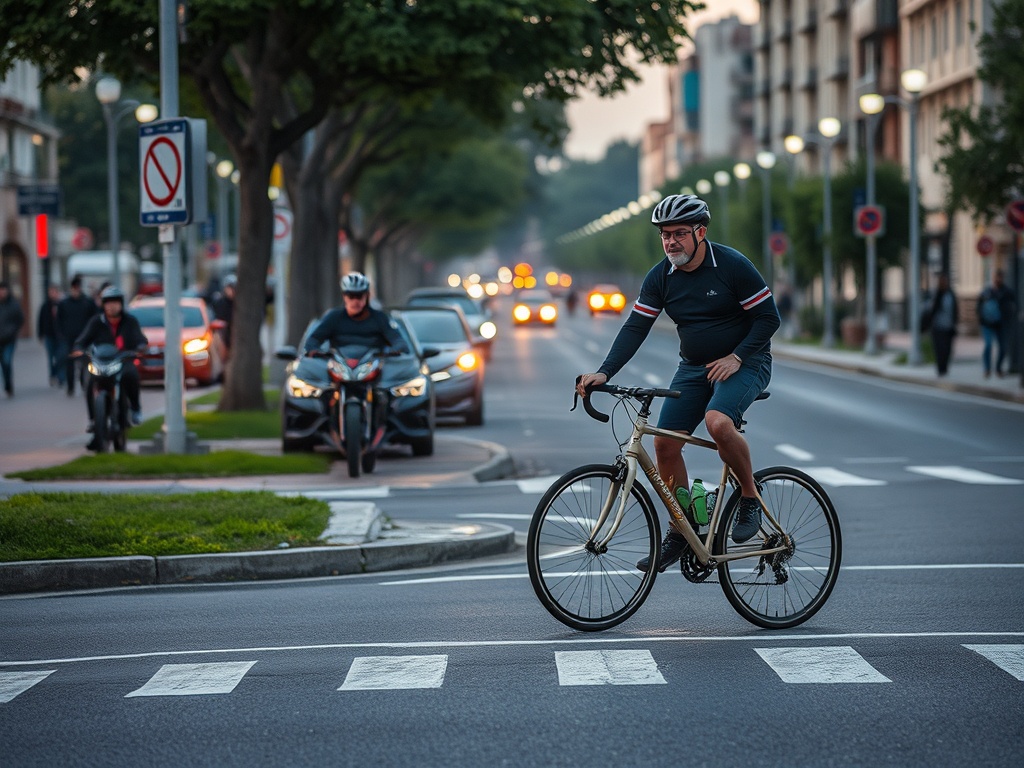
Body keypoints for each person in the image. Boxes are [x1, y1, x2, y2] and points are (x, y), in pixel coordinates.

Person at [576, 194, 781, 572]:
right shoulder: (661, 276)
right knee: (664, 444)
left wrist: (736, 356)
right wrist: (605, 372)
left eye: (679, 234)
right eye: (664, 235)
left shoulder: (733, 266)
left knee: (719, 422)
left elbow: (769, 319)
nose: (670, 242)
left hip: (747, 362)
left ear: (700, 232)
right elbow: (636, 326)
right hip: (693, 368)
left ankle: (749, 496)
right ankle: (681, 530)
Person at [72, 287, 148, 444]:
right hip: (101, 362)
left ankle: (135, 408)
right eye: (108, 303)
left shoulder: (130, 321)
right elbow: (82, 340)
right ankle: (94, 420)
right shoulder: (96, 321)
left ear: (121, 304)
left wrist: (140, 348)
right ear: (103, 305)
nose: (112, 306)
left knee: (131, 375)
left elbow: (141, 339)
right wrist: (79, 349)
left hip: (123, 361)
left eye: (115, 302)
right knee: (89, 381)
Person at [302, 272, 409, 356]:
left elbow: (398, 340)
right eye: (351, 296)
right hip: (339, 373)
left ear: (366, 296)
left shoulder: (379, 318)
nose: (355, 301)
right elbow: (313, 339)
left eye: (359, 296)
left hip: (374, 373)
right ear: (344, 297)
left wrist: (396, 349)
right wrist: (314, 350)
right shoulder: (334, 317)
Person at [57, 275, 99, 396]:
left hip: (85, 339)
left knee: (86, 363)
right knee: (70, 364)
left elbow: (94, 319)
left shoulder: (88, 303)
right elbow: (59, 320)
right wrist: (62, 334)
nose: (76, 290)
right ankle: (70, 387)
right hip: (69, 339)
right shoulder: (64, 304)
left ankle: (85, 383)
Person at [977, 269, 1016, 378]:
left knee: (1003, 347)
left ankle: (998, 368)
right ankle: (987, 369)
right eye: (996, 277)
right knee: (988, 345)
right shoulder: (987, 292)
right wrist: (981, 319)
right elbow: (979, 306)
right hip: (987, 324)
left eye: (1000, 277)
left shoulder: (1007, 292)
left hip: (1001, 323)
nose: (998, 279)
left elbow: (1013, 305)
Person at [926, 272, 958, 377]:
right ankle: (940, 369)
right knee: (940, 349)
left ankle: (945, 368)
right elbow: (932, 311)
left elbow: (955, 310)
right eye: (942, 282)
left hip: (949, 327)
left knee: (948, 350)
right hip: (938, 327)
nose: (944, 284)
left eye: (945, 282)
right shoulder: (936, 295)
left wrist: (955, 323)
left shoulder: (951, 295)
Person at [37, 283, 66, 388]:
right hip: (49, 335)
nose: (52, 294)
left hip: (61, 336)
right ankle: (53, 375)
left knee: (60, 356)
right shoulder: (45, 306)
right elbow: (40, 320)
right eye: (51, 292)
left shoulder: (62, 304)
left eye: (54, 291)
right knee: (51, 357)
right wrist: (40, 334)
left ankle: (61, 377)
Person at [0, 280, 25, 397]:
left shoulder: (13, 304)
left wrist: (13, 331)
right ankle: (7, 385)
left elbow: (20, 319)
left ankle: (8, 385)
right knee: (3, 364)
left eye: (3, 290)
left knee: (6, 361)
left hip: (9, 339)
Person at [212, 273, 236, 364]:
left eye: (234, 288)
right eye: (230, 288)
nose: (232, 291)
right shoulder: (220, 303)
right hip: (223, 335)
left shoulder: (240, 304)